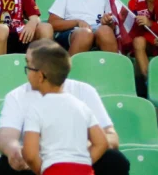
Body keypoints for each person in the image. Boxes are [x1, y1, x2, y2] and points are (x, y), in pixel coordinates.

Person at [0, 40, 129, 175]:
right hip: (42, 164)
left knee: (115, 160)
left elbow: (110, 138)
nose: (27, 71)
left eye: (28, 66)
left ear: (40, 75)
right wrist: (15, 151)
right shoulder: (16, 96)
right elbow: (7, 137)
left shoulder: (84, 92)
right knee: (6, 165)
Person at [19, 42, 109, 175]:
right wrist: (84, 163)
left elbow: (30, 154)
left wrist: (43, 170)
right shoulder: (81, 105)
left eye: (29, 68)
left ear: (40, 76)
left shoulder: (36, 108)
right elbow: (102, 143)